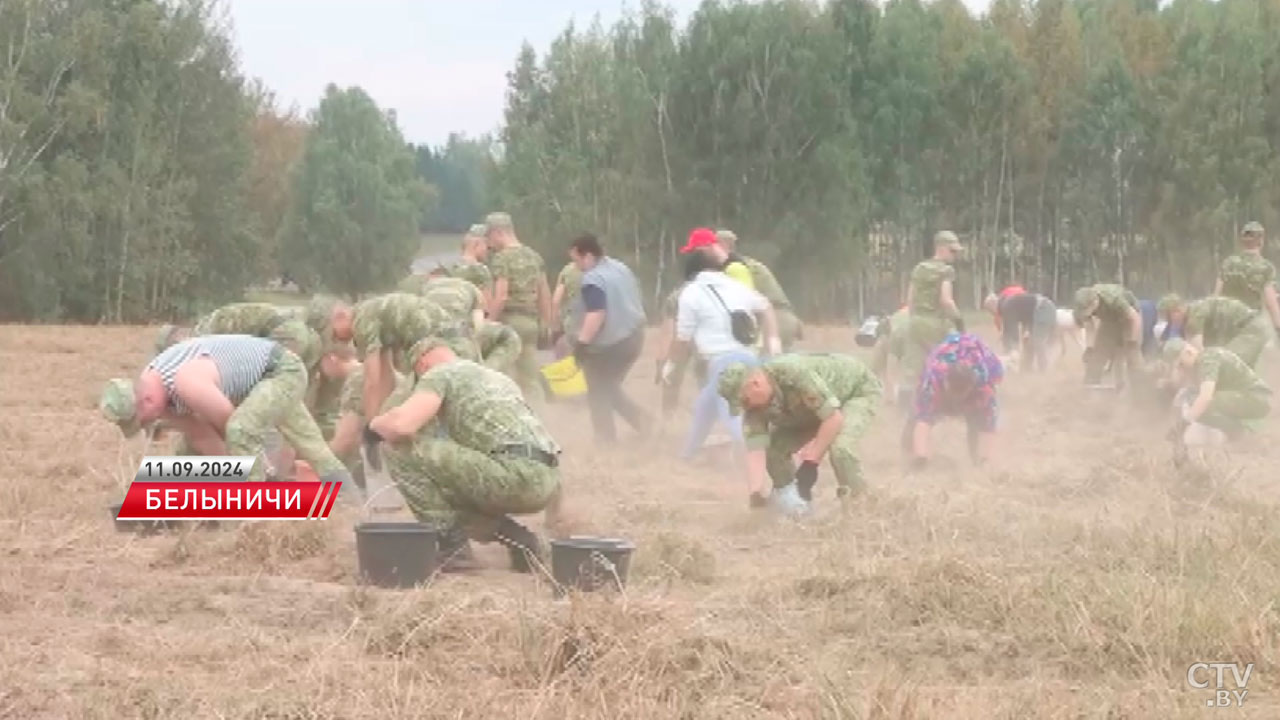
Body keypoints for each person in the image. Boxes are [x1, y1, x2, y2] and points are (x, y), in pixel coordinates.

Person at [367, 338, 562, 573]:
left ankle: (453, 549)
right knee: (447, 491)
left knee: (398, 448)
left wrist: (374, 427)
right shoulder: (499, 379)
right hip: (546, 480)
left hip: (510, 475)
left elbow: (402, 426)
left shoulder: (439, 374)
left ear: (422, 363)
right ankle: (522, 541)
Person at [99, 335, 352, 485]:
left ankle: (254, 525)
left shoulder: (185, 381)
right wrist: (230, 472)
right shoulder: (153, 386)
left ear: (146, 401)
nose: (147, 426)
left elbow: (232, 425)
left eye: (142, 421)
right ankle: (349, 502)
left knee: (241, 431)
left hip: (280, 371)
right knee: (314, 449)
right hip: (254, 388)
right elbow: (202, 436)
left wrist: (264, 467)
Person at [719, 353, 881, 514]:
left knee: (841, 450)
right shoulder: (754, 407)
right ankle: (798, 510)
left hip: (854, 393)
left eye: (745, 400)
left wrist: (811, 462)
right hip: (814, 411)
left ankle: (861, 508)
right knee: (775, 450)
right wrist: (755, 493)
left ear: (756, 383)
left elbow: (833, 419)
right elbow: (756, 450)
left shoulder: (793, 374)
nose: (746, 407)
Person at [664, 246, 781, 464]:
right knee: (703, 407)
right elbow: (766, 307)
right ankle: (687, 455)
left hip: (722, 364)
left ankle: (763, 460)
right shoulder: (735, 286)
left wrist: (670, 364)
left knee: (733, 419)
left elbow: (682, 338)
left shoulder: (691, 293)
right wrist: (773, 341)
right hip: (749, 359)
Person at [566, 233, 652, 442]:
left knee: (598, 388)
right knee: (608, 386)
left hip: (614, 343)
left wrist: (582, 344)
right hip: (636, 336)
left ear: (587, 255)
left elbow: (597, 313)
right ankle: (644, 423)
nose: (576, 266)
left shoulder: (592, 279)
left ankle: (605, 439)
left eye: (576, 260)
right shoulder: (620, 268)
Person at [904, 332, 1004, 469]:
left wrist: (986, 460)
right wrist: (921, 459)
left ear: (970, 387)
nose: (956, 399)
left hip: (978, 358)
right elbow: (923, 419)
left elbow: (989, 424)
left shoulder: (984, 383)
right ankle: (910, 453)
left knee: (976, 420)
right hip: (946, 354)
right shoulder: (933, 378)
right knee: (917, 413)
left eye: (961, 394)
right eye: (954, 393)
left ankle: (978, 462)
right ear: (945, 382)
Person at [485, 212, 551, 402]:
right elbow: (544, 293)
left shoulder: (502, 259)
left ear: (498, 232)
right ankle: (539, 418)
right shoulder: (534, 256)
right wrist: (546, 323)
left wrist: (489, 322)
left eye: (489, 237)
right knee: (530, 379)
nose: (489, 244)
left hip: (509, 323)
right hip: (531, 324)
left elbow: (501, 296)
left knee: (499, 377)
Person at [1163, 338, 1271, 446]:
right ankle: (1241, 434)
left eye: (1181, 364)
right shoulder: (1203, 361)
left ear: (1188, 352)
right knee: (1192, 399)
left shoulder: (1207, 360)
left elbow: (1206, 397)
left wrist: (1184, 423)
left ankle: (1242, 435)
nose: (1181, 369)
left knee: (1196, 402)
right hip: (1251, 397)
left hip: (1257, 398)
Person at [715, 229, 802, 350]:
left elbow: (742, 304)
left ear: (724, 245)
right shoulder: (745, 263)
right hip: (783, 318)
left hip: (775, 319)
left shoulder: (737, 267)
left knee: (760, 363)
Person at [904, 231, 966, 394]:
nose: (955, 255)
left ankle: (907, 406)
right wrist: (959, 320)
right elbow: (946, 300)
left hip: (916, 322)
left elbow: (909, 299)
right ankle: (941, 402)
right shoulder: (946, 271)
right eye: (952, 251)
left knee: (914, 368)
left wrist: (914, 320)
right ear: (941, 248)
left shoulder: (919, 268)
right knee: (946, 362)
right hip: (935, 324)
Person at [1215, 221, 1280, 345]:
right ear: (1260, 241)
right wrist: (1278, 326)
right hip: (1250, 326)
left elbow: (1216, 296)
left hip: (1227, 324)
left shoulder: (1228, 263)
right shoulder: (1265, 267)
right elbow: (1271, 302)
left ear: (1242, 241)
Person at [1073, 283, 1144, 389]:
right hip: (1109, 321)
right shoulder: (1081, 307)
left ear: (1095, 302)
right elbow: (1090, 326)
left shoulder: (1113, 299)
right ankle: (1090, 386)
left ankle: (1140, 388)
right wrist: (1090, 347)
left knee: (1132, 355)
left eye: (1088, 309)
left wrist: (1132, 342)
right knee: (1098, 353)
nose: (1087, 313)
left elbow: (1135, 319)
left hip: (1129, 319)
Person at [1180, 294, 1268, 369]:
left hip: (1249, 329)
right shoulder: (1199, 308)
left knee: (1226, 366)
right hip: (1253, 326)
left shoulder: (1195, 313)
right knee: (1240, 373)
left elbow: (1200, 351)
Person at [983, 290, 1059, 372]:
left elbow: (1012, 332)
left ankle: (1043, 369)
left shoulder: (1007, 306)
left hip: (1043, 310)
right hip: (1041, 310)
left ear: (993, 305)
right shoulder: (1008, 303)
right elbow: (1021, 319)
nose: (992, 314)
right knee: (1029, 341)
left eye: (990, 310)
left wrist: (1010, 351)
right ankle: (1027, 368)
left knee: (1037, 341)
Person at [679, 227, 755, 290]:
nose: (694, 257)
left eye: (695, 251)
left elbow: (746, 300)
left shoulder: (734, 268)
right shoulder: (714, 271)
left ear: (708, 247)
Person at [865, 306, 911, 406]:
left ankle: (888, 397)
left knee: (885, 371)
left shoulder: (897, 314)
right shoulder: (916, 314)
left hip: (887, 339)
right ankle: (894, 397)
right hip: (901, 342)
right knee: (894, 371)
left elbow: (880, 329)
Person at [450, 224, 495, 306]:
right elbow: (487, 303)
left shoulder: (451, 267)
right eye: (486, 246)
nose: (488, 251)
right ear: (476, 244)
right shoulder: (481, 271)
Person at [551, 259, 583, 351]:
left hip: (573, 322)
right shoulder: (604, 270)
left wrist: (555, 327)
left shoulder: (569, 270)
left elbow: (556, 300)